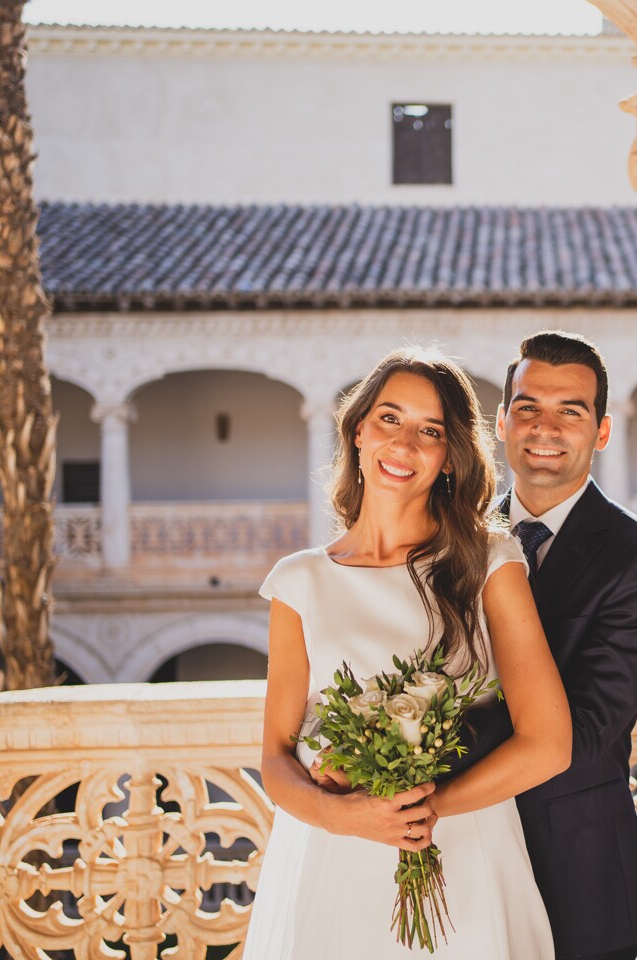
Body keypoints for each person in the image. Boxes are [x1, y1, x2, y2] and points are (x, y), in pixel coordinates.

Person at [245, 347, 572, 959]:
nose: (405, 445)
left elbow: (549, 744)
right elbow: (276, 758)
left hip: (466, 850)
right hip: (334, 860)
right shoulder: (299, 582)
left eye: (431, 431)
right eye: (390, 419)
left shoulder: (491, 565)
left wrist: (420, 811)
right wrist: (344, 817)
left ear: (450, 458)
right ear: (359, 430)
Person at [456, 330, 637, 960]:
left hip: (576, 872)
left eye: (570, 412)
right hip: (459, 859)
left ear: (601, 431)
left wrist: (422, 766)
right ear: (501, 422)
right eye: (528, 408)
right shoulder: (455, 542)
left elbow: (582, 732)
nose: (545, 428)